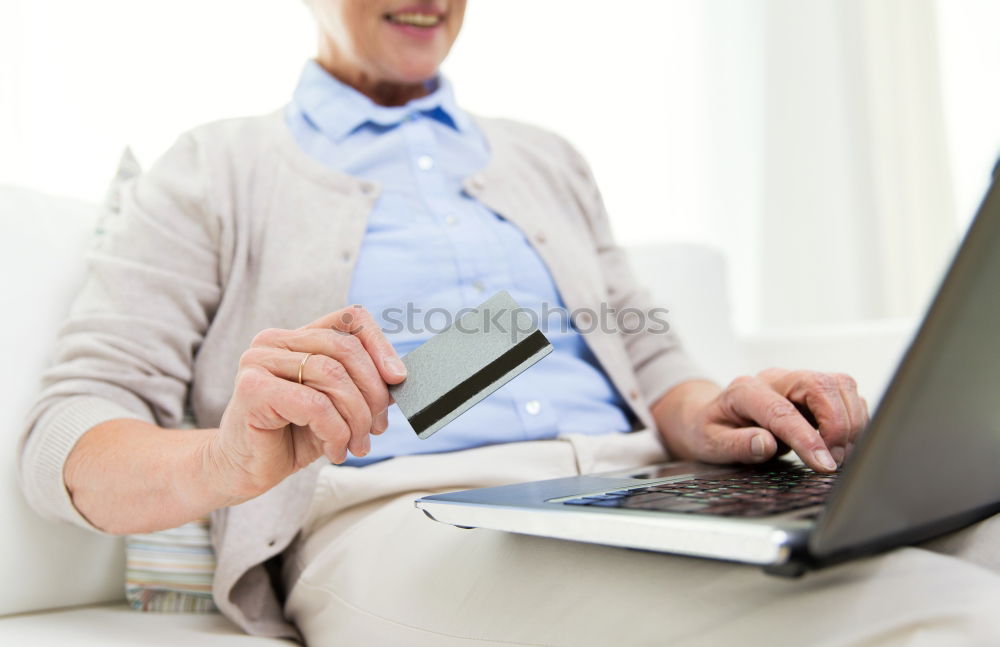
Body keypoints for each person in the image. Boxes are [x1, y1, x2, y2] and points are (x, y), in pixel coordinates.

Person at [18, 1, 1000, 645]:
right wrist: (224, 464)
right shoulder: (216, 165)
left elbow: (655, 357)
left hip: (648, 486)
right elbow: (66, 437)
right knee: (933, 619)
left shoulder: (546, 158)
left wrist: (716, 410)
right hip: (408, 515)